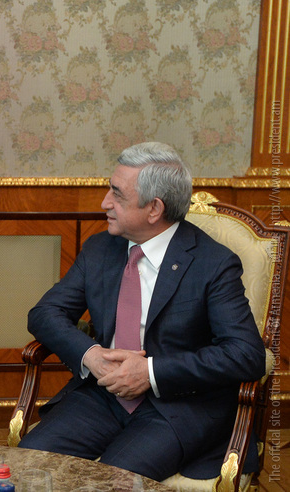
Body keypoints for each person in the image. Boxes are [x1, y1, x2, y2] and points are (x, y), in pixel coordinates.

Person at [19, 142, 266, 481]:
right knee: (27, 468)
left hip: (176, 407)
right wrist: (91, 355)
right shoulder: (100, 249)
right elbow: (44, 313)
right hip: (103, 395)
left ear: (154, 209)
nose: (105, 202)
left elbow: (245, 355)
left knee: (112, 482)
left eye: (117, 194)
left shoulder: (213, 263)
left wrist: (149, 372)